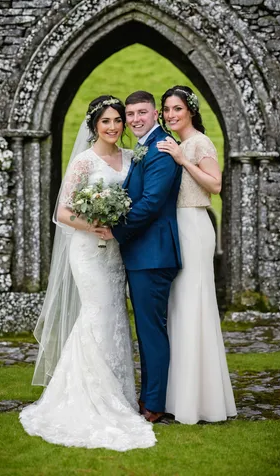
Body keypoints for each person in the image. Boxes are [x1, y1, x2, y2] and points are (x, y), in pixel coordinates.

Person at [19, 95, 156, 451]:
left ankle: (118, 394)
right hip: (88, 250)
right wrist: (94, 223)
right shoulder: (84, 161)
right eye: (106, 121)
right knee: (96, 313)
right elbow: (62, 212)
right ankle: (87, 397)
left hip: (117, 252)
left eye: (117, 121)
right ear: (94, 125)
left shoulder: (130, 157)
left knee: (115, 316)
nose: (113, 127)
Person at [94, 91, 182, 423]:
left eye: (141, 113)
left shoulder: (160, 149)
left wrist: (116, 231)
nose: (134, 120)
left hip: (154, 255)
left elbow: (151, 203)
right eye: (129, 114)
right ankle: (149, 396)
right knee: (147, 329)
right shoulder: (145, 147)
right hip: (142, 254)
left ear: (155, 114)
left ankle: (154, 404)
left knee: (150, 331)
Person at [157, 85, 237, 424]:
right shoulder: (178, 143)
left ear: (190, 110)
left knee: (195, 306)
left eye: (177, 108)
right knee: (180, 307)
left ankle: (202, 401)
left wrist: (181, 160)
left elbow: (215, 185)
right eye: (167, 110)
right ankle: (180, 396)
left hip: (194, 223)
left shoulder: (199, 143)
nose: (171, 115)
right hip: (178, 226)